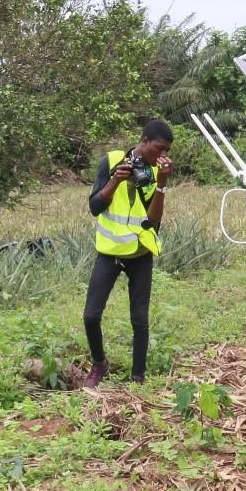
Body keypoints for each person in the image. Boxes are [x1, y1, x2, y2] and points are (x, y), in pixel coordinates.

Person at [83, 119, 173, 387]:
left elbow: (154, 221)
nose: (163, 156)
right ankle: (99, 364)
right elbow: (95, 207)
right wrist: (115, 181)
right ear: (144, 140)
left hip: (140, 253)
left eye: (167, 151)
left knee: (139, 319)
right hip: (110, 252)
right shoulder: (111, 161)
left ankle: (137, 378)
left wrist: (162, 183)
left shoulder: (156, 171)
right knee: (91, 315)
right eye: (159, 148)